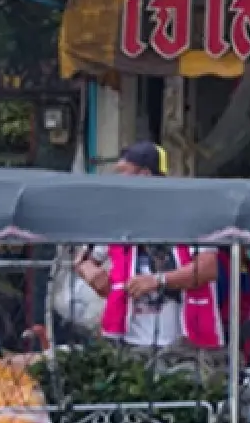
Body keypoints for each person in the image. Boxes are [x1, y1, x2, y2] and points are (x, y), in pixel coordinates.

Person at [79, 142, 229, 351]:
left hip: (186, 344)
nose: (115, 180)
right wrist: (91, 272)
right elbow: (84, 260)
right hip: (127, 341)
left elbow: (208, 268)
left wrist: (158, 280)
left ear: (145, 175)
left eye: (123, 172)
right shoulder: (115, 218)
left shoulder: (191, 215)